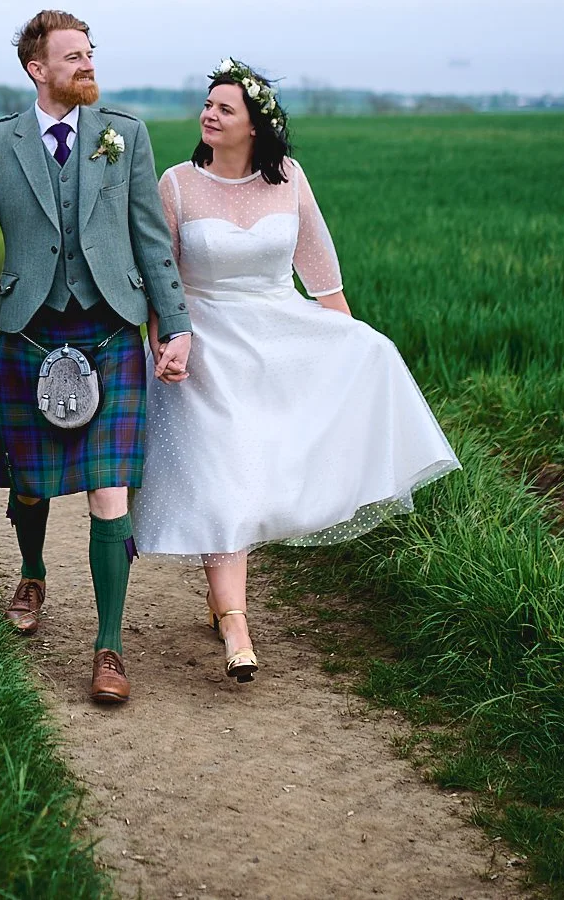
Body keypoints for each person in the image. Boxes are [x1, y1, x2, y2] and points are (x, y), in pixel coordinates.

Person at [134, 58, 460, 682]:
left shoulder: (289, 180)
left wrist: (345, 347)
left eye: (225, 108)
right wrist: (165, 343)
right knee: (223, 480)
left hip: (278, 337)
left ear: (255, 125)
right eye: (208, 104)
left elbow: (322, 275)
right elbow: (159, 279)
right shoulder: (175, 184)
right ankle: (236, 627)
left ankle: (224, 602)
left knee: (372, 351)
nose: (209, 114)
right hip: (207, 349)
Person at [0, 10, 193, 704]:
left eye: (89, 52)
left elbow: (149, 240)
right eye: (71, 55)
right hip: (30, 332)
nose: (86, 63)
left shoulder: (122, 136)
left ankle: (109, 647)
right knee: (31, 481)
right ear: (36, 68)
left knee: (110, 490)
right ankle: (32, 566)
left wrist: (176, 326)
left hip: (111, 332)